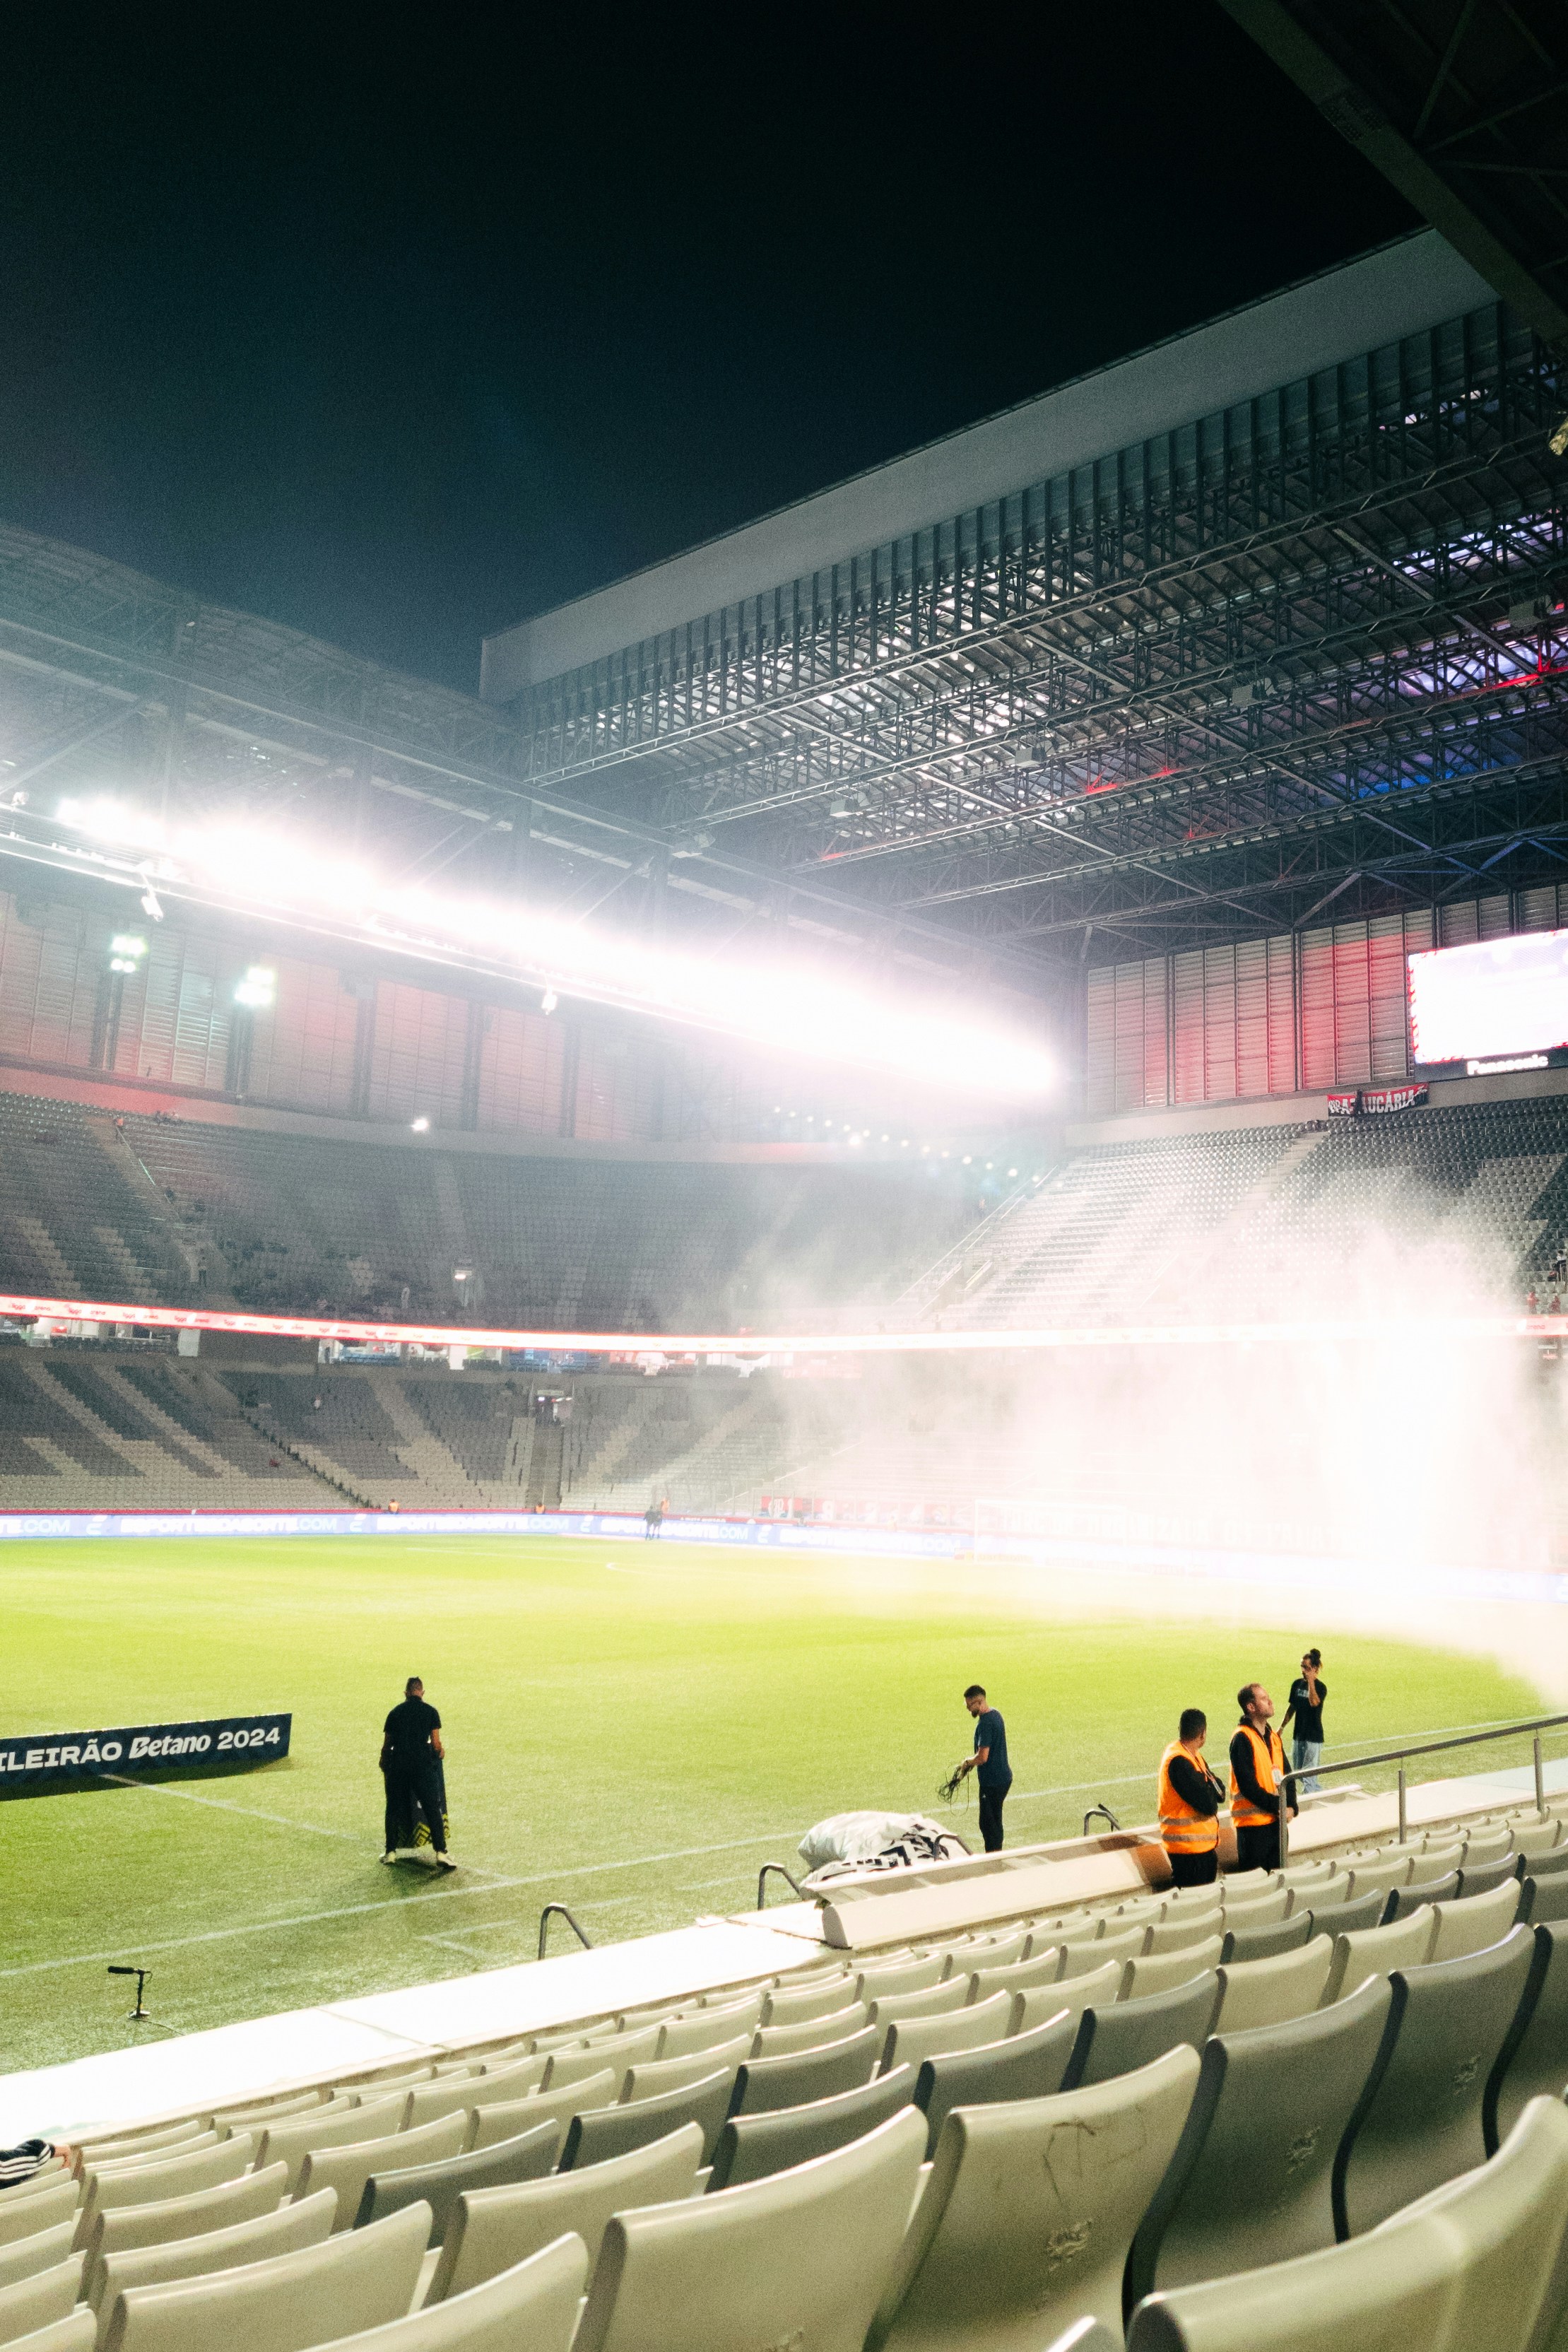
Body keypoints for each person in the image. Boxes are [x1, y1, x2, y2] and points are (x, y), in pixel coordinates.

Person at [379, 1676, 455, 1869]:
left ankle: (390, 1852)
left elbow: (387, 1746)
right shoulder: (431, 1712)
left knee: (394, 1808)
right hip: (422, 1765)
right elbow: (436, 1743)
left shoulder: (395, 1713)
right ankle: (441, 1852)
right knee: (432, 1807)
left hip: (399, 1765)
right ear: (422, 1693)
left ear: (406, 1693)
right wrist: (440, 1752)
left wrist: (385, 1765)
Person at [1230, 1682, 1293, 1873]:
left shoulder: (1273, 1736)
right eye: (1264, 1699)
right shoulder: (1242, 1738)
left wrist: (1292, 1806)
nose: (1270, 1702)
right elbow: (1248, 1786)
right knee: (1256, 1888)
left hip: (1277, 1825)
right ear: (1251, 1707)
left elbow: (1288, 1775)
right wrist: (1279, 1805)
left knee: (1280, 1881)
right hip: (1253, 1830)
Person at [1157, 1708, 1225, 1887]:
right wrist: (1210, 1787)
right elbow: (1210, 1804)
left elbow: (1220, 1792)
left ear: (1180, 1728)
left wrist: (1209, 1787)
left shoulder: (1191, 1755)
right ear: (1203, 1734)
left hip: (1197, 1847)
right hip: (1189, 1850)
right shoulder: (1180, 1761)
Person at [953, 1684, 1012, 1852]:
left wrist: (968, 1762)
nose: (968, 1709)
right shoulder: (996, 1714)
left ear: (978, 1702)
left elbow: (983, 1757)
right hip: (1003, 1777)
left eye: (969, 1705)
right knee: (994, 1820)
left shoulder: (985, 1723)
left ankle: (993, 1857)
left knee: (988, 1823)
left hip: (993, 1782)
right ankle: (996, 1852)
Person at [1280, 1648, 1328, 1797]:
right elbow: (1292, 1707)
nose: (1303, 1670)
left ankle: (1310, 1802)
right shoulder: (1297, 1685)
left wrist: (1311, 1681)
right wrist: (1281, 1727)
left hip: (1313, 1736)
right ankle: (1320, 1794)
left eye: (1306, 1667)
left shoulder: (1321, 1687)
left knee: (1308, 1776)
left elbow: (1314, 1703)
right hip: (1299, 1735)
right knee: (1299, 1771)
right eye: (1302, 1666)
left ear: (1314, 1669)